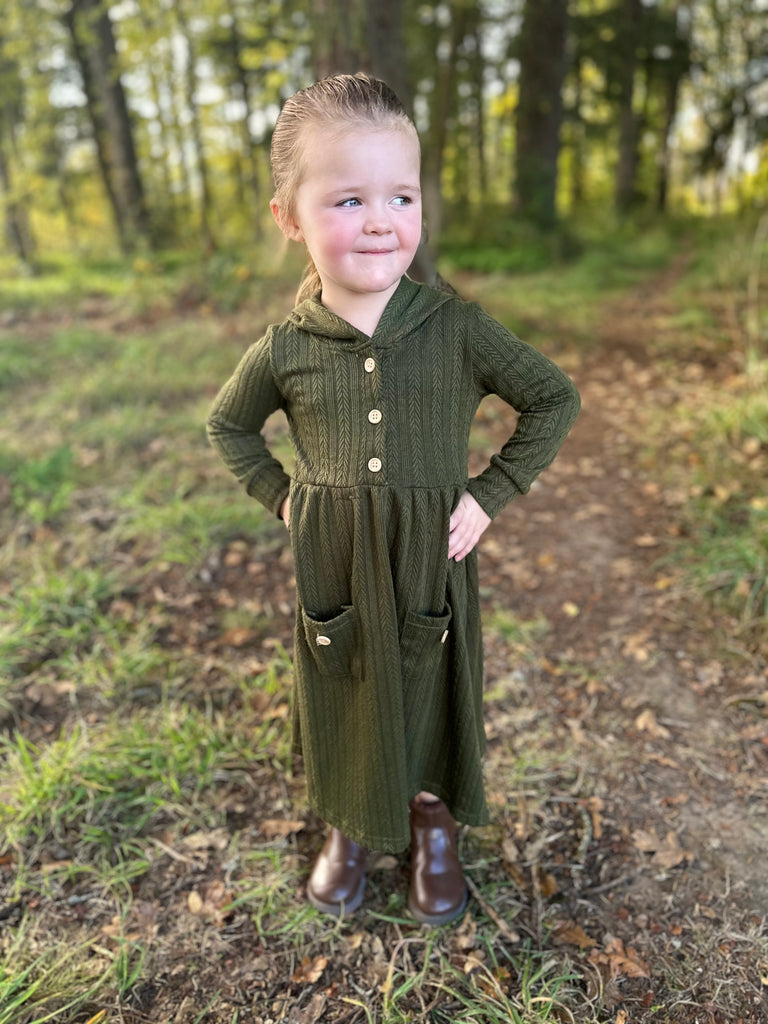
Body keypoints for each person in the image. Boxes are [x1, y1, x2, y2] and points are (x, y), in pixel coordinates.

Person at [207, 73, 580, 926]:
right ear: (290, 219)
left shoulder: (456, 329)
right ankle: (349, 823)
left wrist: (492, 491)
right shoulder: (288, 347)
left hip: (429, 561)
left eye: (400, 196)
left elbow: (553, 398)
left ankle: (430, 819)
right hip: (335, 567)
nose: (380, 220)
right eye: (348, 199)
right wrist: (283, 499)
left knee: (429, 685)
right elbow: (228, 427)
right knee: (345, 687)